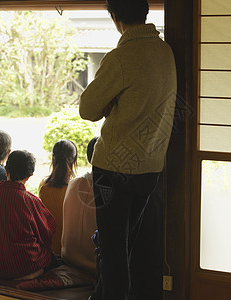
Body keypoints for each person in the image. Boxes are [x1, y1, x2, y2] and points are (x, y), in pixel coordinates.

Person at [79, 0, 177, 298]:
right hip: (151, 167)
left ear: (114, 17)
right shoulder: (165, 51)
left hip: (113, 167)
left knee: (112, 250)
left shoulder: (121, 57)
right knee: (135, 245)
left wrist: (112, 104)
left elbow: (87, 108)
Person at [0, 150, 57, 280]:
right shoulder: (30, 201)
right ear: (29, 176)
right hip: (25, 266)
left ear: (6, 170)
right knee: (50, 256)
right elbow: (47, 234)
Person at [61, 137, 98, 276]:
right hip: (93, 264)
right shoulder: (110, 188)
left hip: (68, 255)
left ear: (88, 158)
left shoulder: (74, 183)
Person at [39, 139, 78, 256]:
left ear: (53, 159)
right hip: (70, 253)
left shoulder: (43, 186)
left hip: (49, 252)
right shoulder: (76, 188)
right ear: (74, 160)